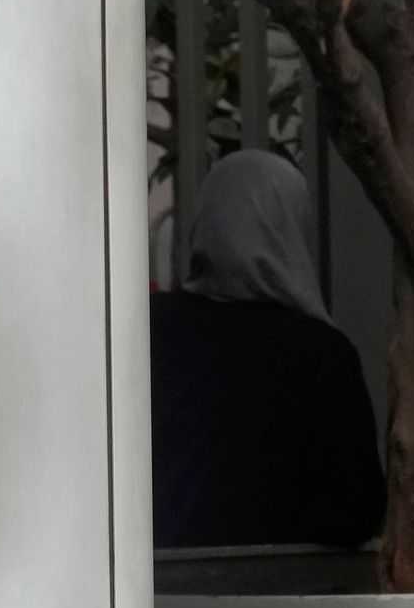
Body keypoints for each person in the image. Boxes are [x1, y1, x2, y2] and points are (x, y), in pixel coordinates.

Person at [152, 154, 387, 548]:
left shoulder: (148, 331)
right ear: (293, 228)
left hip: (153, 593)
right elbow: (355, 512)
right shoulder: (321, 355)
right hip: (276, 596)